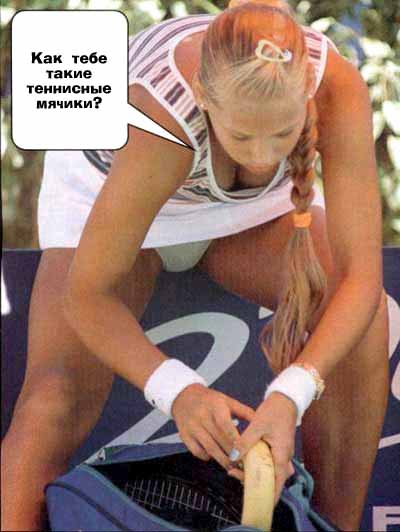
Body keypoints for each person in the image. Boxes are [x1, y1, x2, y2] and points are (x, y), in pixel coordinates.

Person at [1, 1, 390, 530]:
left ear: (305, 95)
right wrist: (178, 391)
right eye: (244, 136)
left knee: (364, 322)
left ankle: (332, 526)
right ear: (205, 97)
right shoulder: (164, 113)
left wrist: (290, 395)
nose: (262, 156)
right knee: (54, 395)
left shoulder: (337, 87)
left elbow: (360, 279)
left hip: (247, 210)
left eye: (282, 135)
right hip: (110, 192)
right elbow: (87, 296)